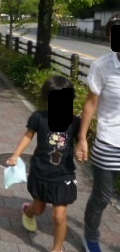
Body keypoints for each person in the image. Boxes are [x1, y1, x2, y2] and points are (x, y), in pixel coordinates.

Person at [7, 75, 81, 252]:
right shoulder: (38, 117)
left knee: (59, 216)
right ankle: (28, 212)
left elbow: (81, 141)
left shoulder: (75, 122)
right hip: (41, 172)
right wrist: (16, 155)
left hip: (64, 175)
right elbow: (28, 136)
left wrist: (81, 149)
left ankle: (57, 248)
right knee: (39, 209)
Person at [76, 14, 120, 252]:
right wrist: (82, 138)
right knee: (102, 197)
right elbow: (91, 103)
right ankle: (90, 236)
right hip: (109, 141)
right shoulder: (102, 66)